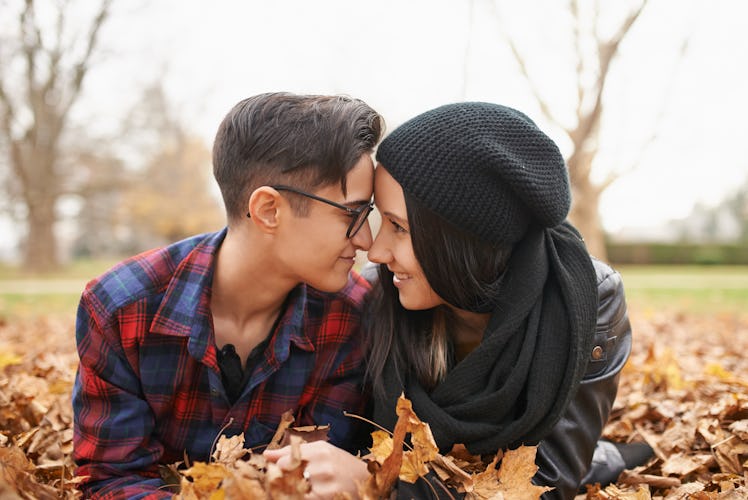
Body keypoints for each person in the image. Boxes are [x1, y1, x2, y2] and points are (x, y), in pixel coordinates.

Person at [266, 101, 651, 499]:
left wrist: (380, 486)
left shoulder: (585, 301)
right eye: (381, 220)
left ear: (463, 239)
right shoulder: (378, 294)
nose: (376, 252)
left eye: (398, 227)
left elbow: (547, 484)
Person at [72, 92, 383, 498]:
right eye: (350, 214)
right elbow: (111, 480)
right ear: (269, 209)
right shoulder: (121, 308)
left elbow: (306, 483)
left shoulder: (352, 316)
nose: (366, 239)